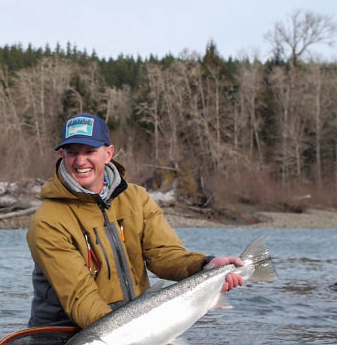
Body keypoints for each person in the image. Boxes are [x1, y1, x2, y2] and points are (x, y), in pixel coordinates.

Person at [27, 113, 243, 329]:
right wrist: (126, 332)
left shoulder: (136, 198)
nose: (80, 161)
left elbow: (163, 255)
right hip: (62, 335)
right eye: (72, 152)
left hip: (128, 325)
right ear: (62, 155)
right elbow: (79, 296)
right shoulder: (47, 221)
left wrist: (205, 265)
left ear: (108, 153)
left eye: (89, 151)